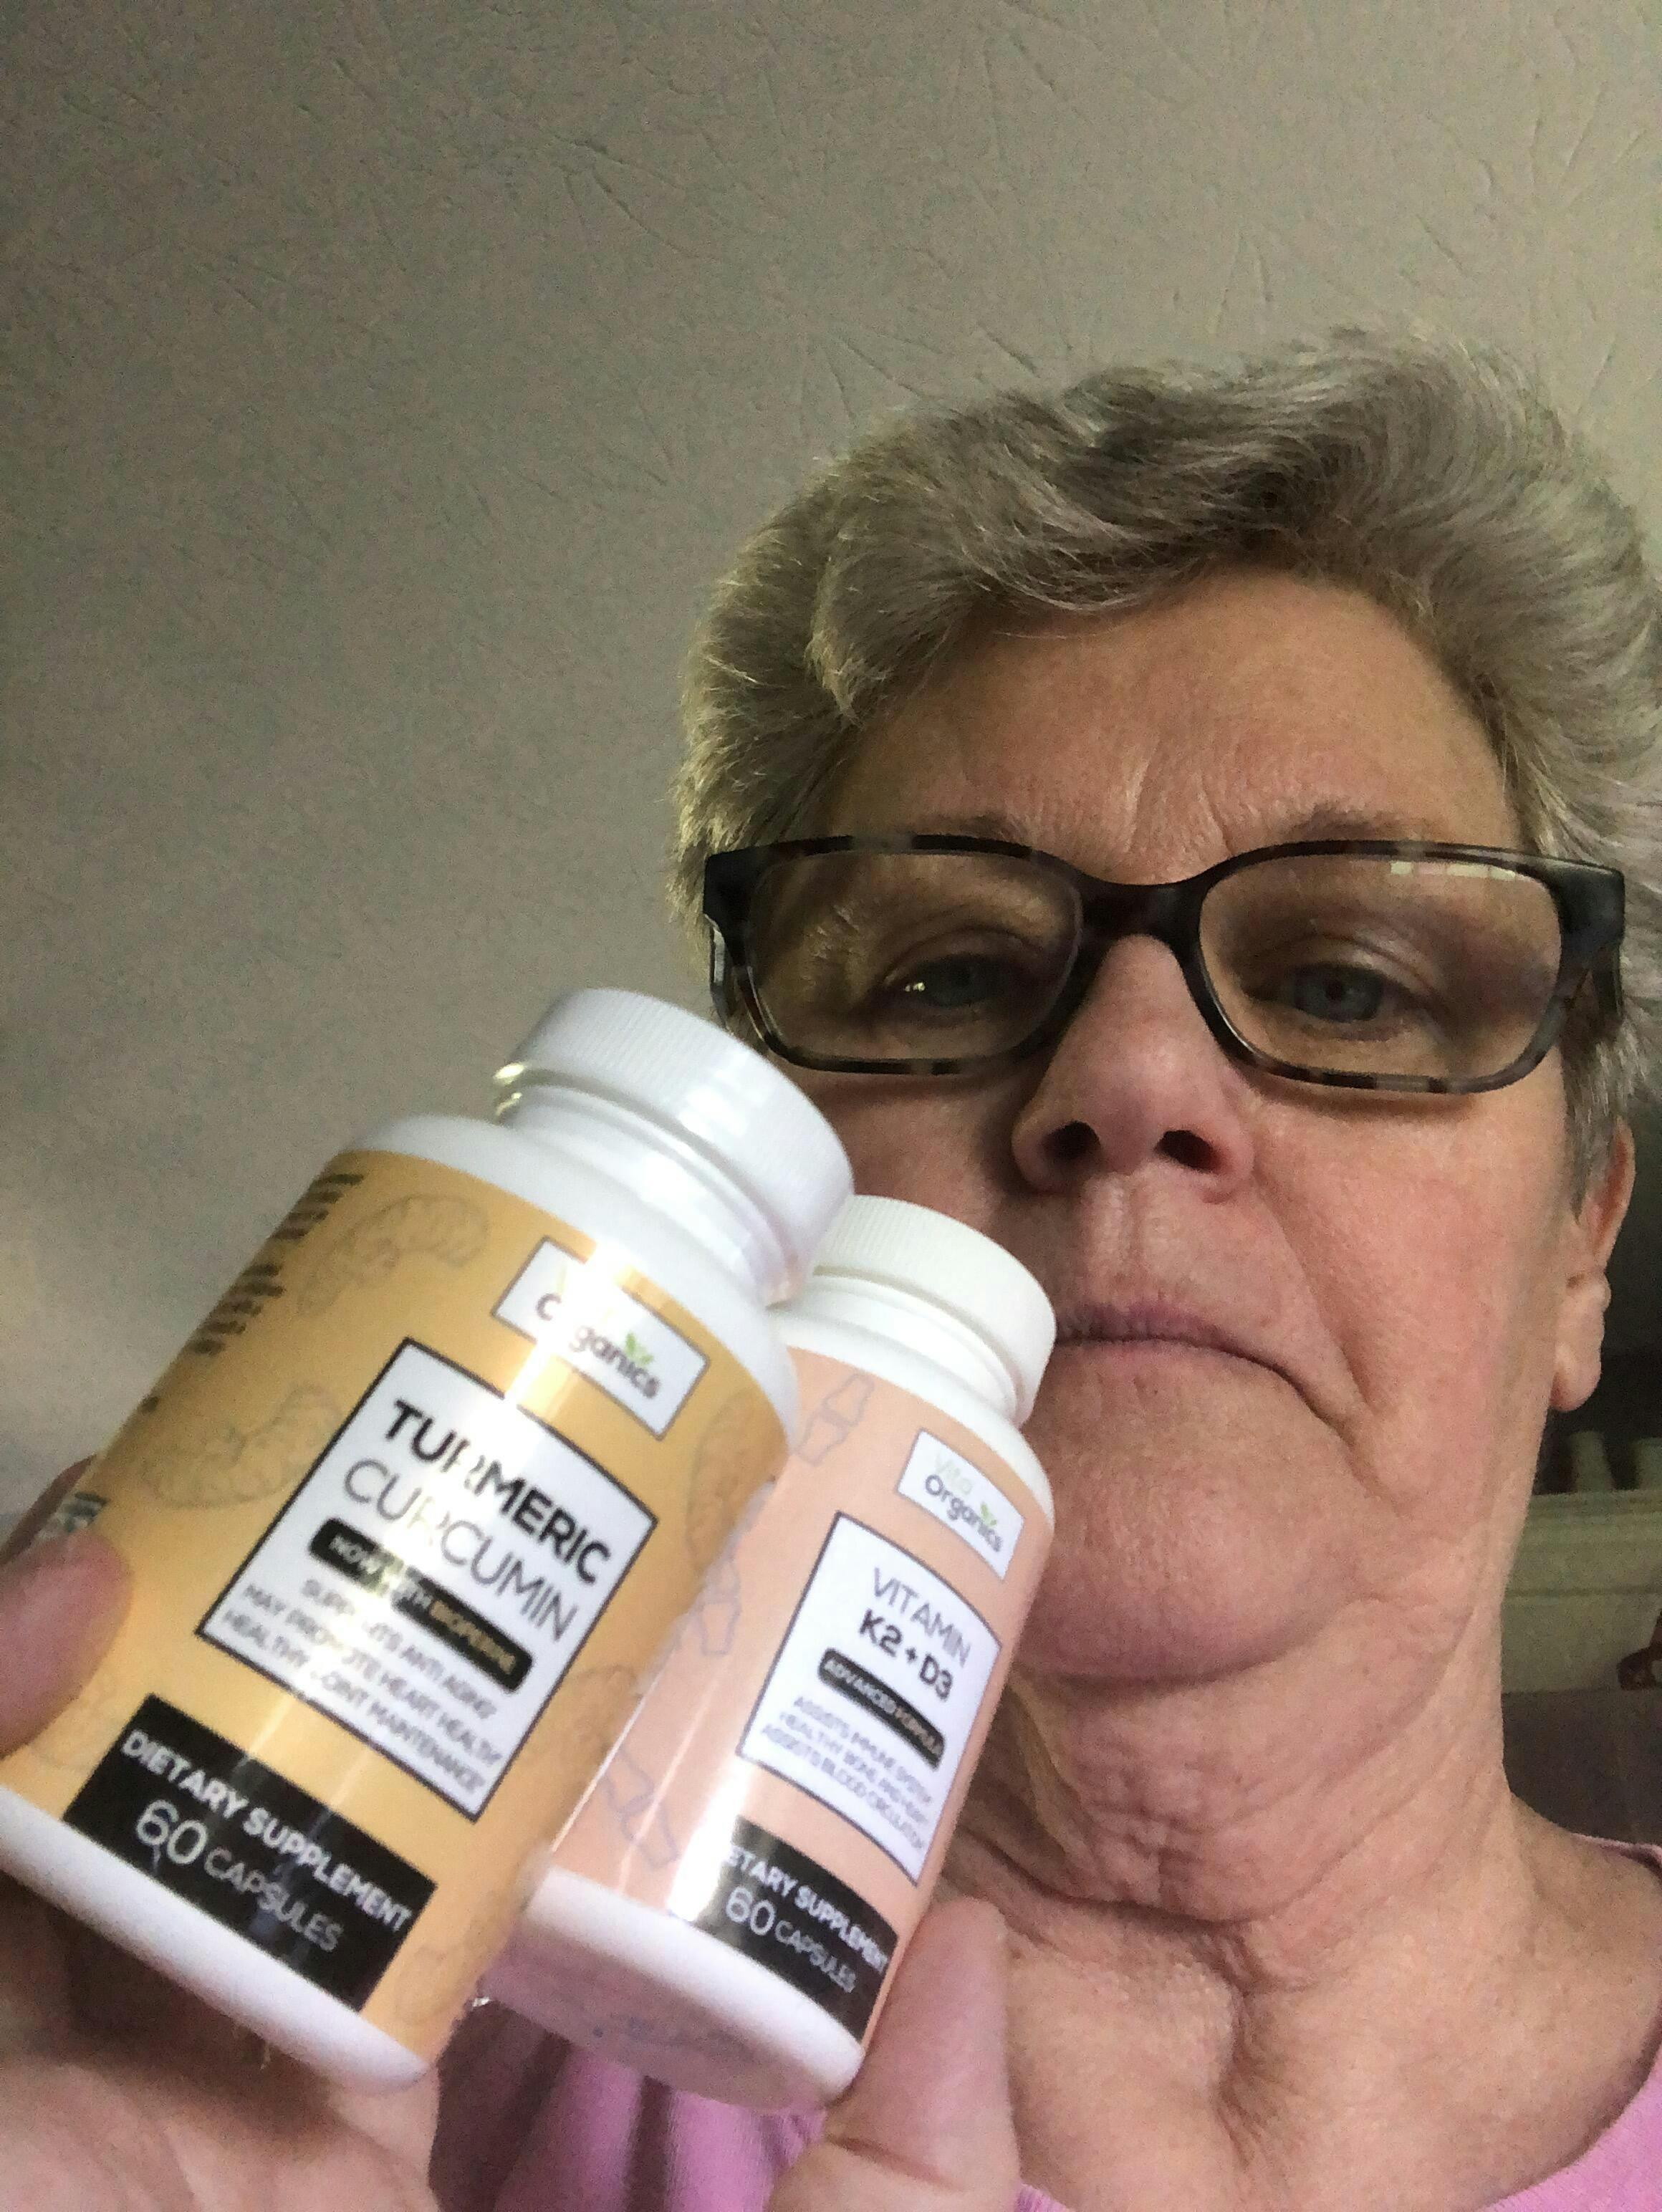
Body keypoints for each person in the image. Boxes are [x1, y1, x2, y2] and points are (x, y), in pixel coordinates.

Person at [4, 327, 1661, 2211]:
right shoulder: (267, 2047)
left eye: (1349, 986)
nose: (1127, 1083)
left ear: (1584, 1248)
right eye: (949, 972)